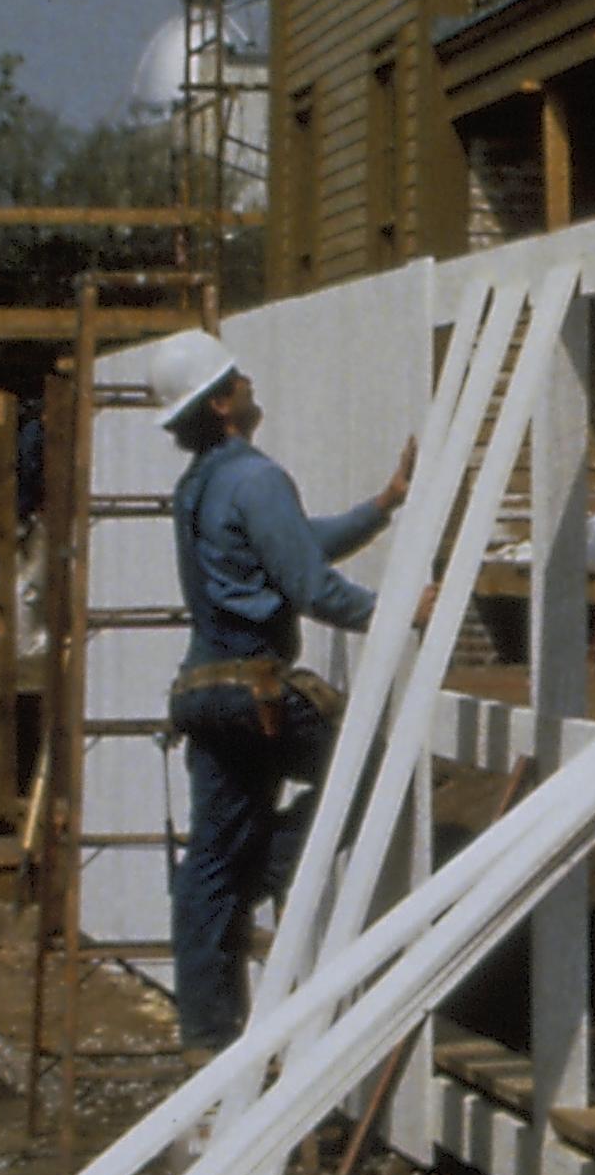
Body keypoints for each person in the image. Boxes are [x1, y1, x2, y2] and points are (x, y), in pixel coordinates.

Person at [155, 328, 416, 1066]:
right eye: (240, 380)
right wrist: (402, 610)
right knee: (368, 768)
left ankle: (207, 1041)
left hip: (204, 697)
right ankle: (266, 864)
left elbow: (294, 543)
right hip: (254, 691)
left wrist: (383, 504)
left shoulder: (201, 485)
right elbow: (313, 587)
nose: (251, 386)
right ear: (224, 401)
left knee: (207, 865)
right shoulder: (257, 478)